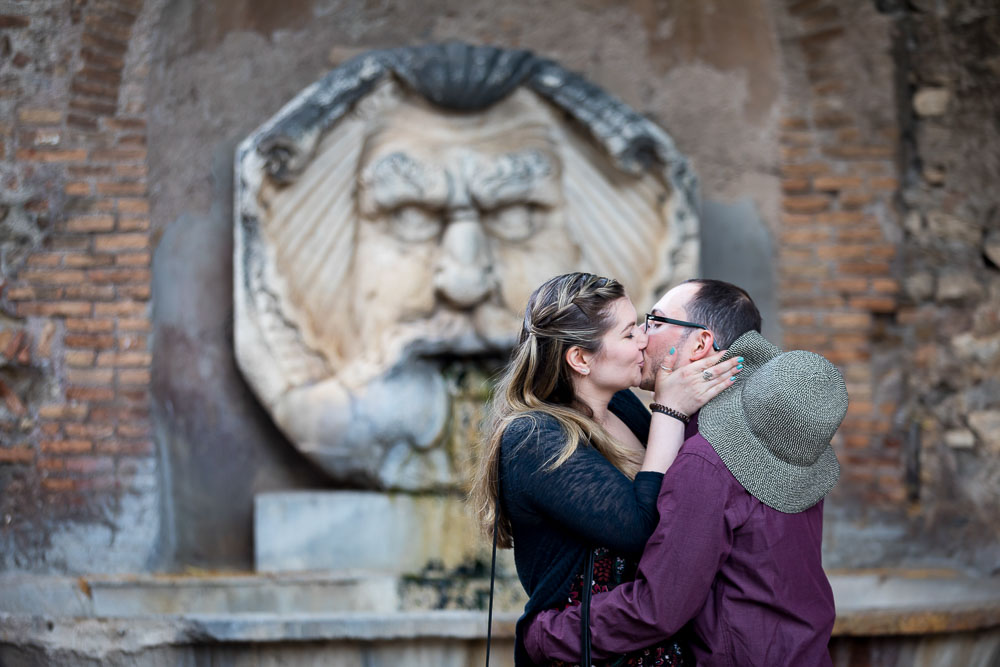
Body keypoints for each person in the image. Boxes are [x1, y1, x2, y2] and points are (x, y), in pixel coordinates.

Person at [524, 279, 849, 666]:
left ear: (700, 344)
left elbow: (658, 607)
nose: (642, 337)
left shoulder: (705, 457)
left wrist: (547, 635)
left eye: (655, 322)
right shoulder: (778, 430)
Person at [469, 272, 744, 666]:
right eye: (629, 333)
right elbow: (643, 528)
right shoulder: (534, 438)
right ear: (580, 358)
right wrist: (669, 411)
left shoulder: (622, 406)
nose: (644, 341)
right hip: (583, 650)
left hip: (662, 646)